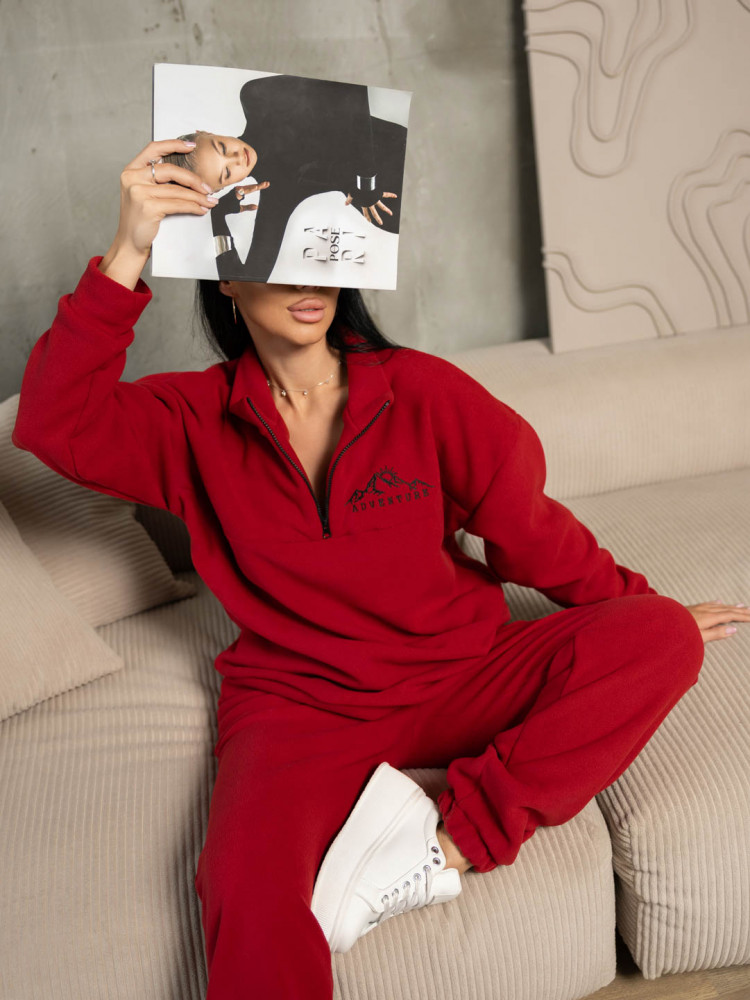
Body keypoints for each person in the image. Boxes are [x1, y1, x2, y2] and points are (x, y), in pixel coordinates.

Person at [11, 137, 749, 999]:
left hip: (461, 669)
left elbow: (529, 531)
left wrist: (642, 609)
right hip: (301, 705)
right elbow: (53, 423)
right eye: (277, 256)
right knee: (241, 889)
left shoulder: (424, 391)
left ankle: (440, 850)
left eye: (324, 249)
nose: (308, 280)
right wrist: (129, 246)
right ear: (227, 279)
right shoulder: (188, 420)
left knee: (659, 636)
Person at [160, 73, 406, 281]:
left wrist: (366, 181)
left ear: (206, 132)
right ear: (221, 189)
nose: (237, 159)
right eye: (227, 173)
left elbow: (348, 90)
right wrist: (218, 217)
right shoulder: (276, 194)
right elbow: (248, 279)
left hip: (401, 149)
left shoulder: (257, 98)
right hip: (391, 206)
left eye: (222, 147)